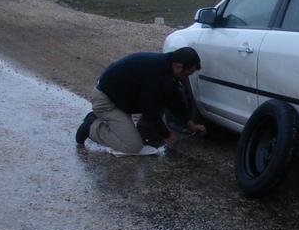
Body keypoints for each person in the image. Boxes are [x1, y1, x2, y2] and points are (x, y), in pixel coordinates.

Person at [75, 47, 206, 155]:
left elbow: (173, 100)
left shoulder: (167, 67)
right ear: (178, 67)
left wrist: (190, 123)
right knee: (132, 146)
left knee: (159, 102)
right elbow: (150, 112)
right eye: (188, 74)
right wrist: (167, 135)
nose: (187, 77)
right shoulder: (155, 74)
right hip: (107, 102)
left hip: (122, 99)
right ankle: (91, 126)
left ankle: (142, 133)